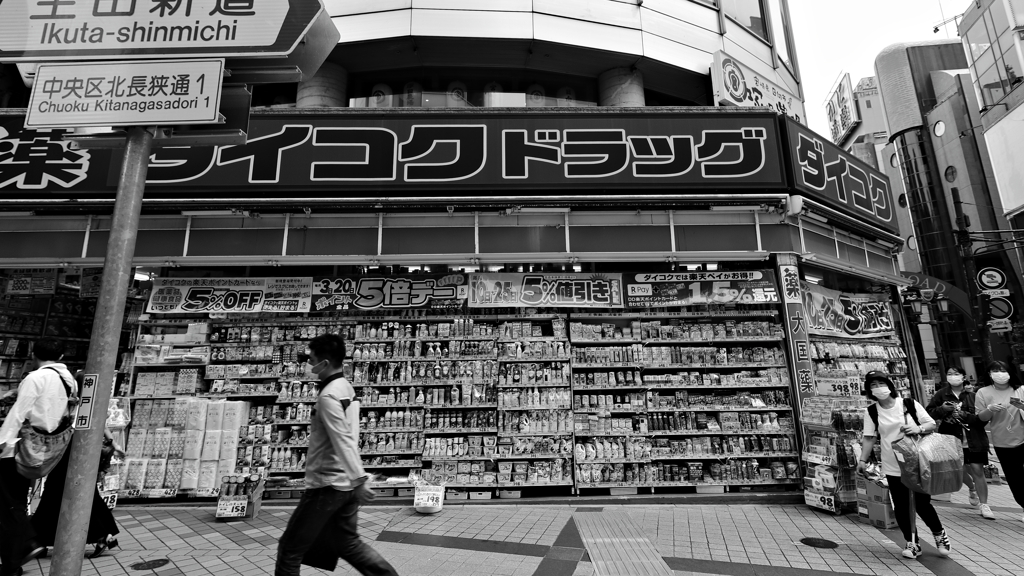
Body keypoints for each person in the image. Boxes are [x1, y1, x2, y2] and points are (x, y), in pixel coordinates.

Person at [275, 334, 397, 576]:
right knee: (348, 544)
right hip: (345, 484)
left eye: (311, 360)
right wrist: (355, 480)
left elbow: (342, 440)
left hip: (327, 486)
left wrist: (359, 479)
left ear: (326, 362)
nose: (309, 365)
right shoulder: (346, 388)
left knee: (290, 549)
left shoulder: (329, 395)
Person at [0, 338, 77, 576]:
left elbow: (19, 412)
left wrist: (2, 442)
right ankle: (13, 562)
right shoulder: (68, 379)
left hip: (23, 446)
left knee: (8, 501)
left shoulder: (35, 378)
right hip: (49, 447)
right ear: (61, 356)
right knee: (16, 501)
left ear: (34, 354)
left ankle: (27, 543)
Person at [857, 371, 950, 560]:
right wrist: (862, 460)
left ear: (889, 385)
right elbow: (869, 437)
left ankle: (939, 534)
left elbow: (930, 424)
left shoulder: (908, 404)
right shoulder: (872, 411)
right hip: (892, 464)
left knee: (922, 503)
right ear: (869, 390)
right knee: (900, 505)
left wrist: (918, 428)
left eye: (880, 383)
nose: (877, 388)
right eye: (872, 385)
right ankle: (912, 542)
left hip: (917, 462)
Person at [31, 372, 123, 558]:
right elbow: (99, 422)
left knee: (58, 492)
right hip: (80, 453)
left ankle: (38, 539)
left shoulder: (70, 402)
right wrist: (113, 442)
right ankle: (39, 539)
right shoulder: (88, 403)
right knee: (77, 493)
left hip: (66, 452)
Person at [926, 366, 993, 519]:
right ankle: (971, 487)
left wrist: (964, 415)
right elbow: (929, 413)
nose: (953, 376)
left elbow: (983, 419)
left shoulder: (975, 395)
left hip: (974, 438)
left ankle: (985, 505)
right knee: (957, 469)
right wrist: (942, 409)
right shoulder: (941, 394)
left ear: (963, 377)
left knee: (977, 469)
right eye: (949, 374)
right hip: (951, 438)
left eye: (956, 374)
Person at [975, 360, 1024, 522]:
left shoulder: (1020, 390)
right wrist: (989, 410)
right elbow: (980, 419)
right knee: (1015, 480)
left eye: (1003, 370)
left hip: (1023, 439)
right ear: (989, 374)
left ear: (1010, 372)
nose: (1000, 374)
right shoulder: (983, 393)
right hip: (1003, 443)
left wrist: (1021, 406)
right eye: (995, 371)